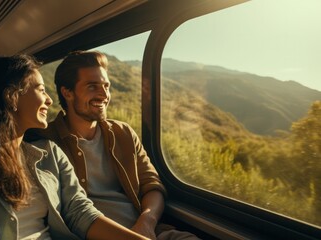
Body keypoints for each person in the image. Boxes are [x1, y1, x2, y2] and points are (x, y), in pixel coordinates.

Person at [0, 54, 149, 240]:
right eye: (41, 90)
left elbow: (80, 213)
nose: (50, 100)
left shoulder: (50, 153)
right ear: (11, 97)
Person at [25, 51, 200, 240]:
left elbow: (152, 185)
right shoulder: (44, 141)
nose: (104, 94)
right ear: (67, 92)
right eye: (92, 87)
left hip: (147, 231)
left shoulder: (123, 133)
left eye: (106, 86)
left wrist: (146, 223)